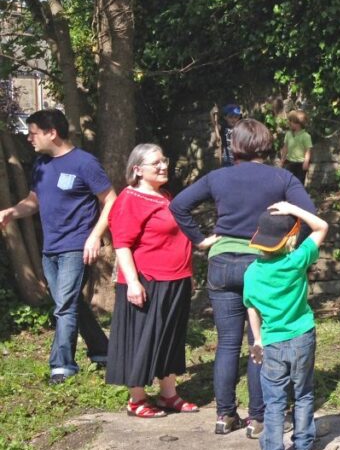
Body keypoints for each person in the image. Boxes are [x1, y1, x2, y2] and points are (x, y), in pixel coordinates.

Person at [170, 119, 316, 437]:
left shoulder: (218, 177)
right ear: (266, 143)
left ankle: (224, 415)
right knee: (258, 342)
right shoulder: (282, 177)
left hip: (221, 263)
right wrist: (290, 246)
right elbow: (310, 215)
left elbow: (178, 205)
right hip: (259, 263)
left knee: (226, 343)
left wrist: (199, 238)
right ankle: (257, 418)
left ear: (234, 145)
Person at [0, 109, 113, 384]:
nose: (29, 138)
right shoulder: (41, 164)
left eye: (33, 132)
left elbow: (111, 199)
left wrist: (95, 236)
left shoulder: (85, 163)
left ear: (52, 133)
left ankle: (62, 366)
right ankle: (103, 351)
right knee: (70, 303)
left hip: (77, 246)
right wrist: (11, 212)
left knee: (64, 306)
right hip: (50, 248)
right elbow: (34, 200)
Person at [107, 144, 197, 418]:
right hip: (148, 280)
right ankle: (137, 399)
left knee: (168, 338)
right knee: (142, 339)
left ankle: (168, 394)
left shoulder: (164, 196)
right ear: (137, 169)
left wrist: (188, 275)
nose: (163, 166)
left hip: (175, 279)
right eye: (155, 162)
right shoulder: (130, 198)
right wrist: (133, 282)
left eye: (164, 160)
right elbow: (121, 244)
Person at [241, 201, 328, 450]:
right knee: (303, 393)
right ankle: (303, 447)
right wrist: (292, 207)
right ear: (290, 238)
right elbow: (322, 226)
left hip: (273, 343)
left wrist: (257, 340)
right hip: (303, 337)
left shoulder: (252, 272)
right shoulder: (297, 260)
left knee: (274, 402)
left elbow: (251, 308)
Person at [279, 110, 313, 186]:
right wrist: (282, 160)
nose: (289, 123)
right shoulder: (288, 134)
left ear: (298, 123)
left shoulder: (306, 136)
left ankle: (298, 197)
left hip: (300, 164)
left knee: (299, 183)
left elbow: (308, 150)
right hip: (289, 162)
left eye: (291, 121)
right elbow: (285, 147)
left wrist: (306, 162)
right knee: (287, 181)